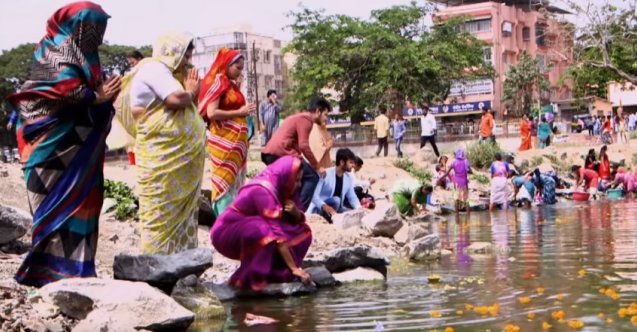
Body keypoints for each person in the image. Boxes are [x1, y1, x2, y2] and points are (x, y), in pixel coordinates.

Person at [7, 2, 120, 287]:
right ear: (77, 26)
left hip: (82, 152)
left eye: (102, 28)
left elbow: (95, 94)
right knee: (51, 207)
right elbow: (61, 89)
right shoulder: (53, 50)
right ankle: (46, 273)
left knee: (87, 200)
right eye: (93, 28)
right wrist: (95, 98)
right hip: (48, 147)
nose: (99, 35)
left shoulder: (90, 58)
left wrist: (101, 99)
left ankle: (77, 272)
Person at [124, 33, 205, 254]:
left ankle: (180, 264)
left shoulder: (169, 74)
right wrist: (191, 91)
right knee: (160, 214)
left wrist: (190, 93)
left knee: (178, 216)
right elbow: (176, 100)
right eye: (185, 54)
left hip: (176, 163)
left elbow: (189, 107)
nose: (188, 60)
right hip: (162, 158)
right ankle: (156, 266)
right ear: (172, 51)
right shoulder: (154, 69)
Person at [211, 156, 312, 290]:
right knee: (265, 230)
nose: (298, 185)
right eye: (297, 180)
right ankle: (249, 279)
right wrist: (294, 268)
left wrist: (296, 213)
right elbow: (278, 236)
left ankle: (275, 273)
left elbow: (296, 221)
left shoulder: (282, 188)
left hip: (251, 229)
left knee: (302, 231)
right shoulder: (263, 191)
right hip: (225, 233)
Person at [199, 48, 255, 217]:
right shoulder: (220, 82)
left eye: (242, 69)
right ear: (227, 65)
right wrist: (239, 112)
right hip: (223, 144)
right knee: (224, 184)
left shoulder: (231, 85)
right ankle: (225, 221)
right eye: (237, 68)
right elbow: (212, 113)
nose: (240, 72)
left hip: (236, 146)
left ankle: (235, 222)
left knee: (235, 185)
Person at [262, 97, 329, 211]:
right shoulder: (307, 120)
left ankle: (287, 208)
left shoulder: (298, 117)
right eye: (325, 114)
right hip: (280, 153)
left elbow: (298, 146)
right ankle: (298, 212)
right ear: (318, 111)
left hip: (269, 153)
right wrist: (317, 166)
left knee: (294, 181)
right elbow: (304, 145)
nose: (326, 118)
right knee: (312, 177)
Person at [307, 148, 361, 222]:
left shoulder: (348, 178)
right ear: (342, 162)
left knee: (352, 212)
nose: (353, 165)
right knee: (336, 200)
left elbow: (352, 197)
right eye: (351, 162)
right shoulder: (325, 174)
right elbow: (314, 196)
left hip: (337, 209)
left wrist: (359, 208)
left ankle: (336, 217)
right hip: (319, 208)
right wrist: (324, 206)